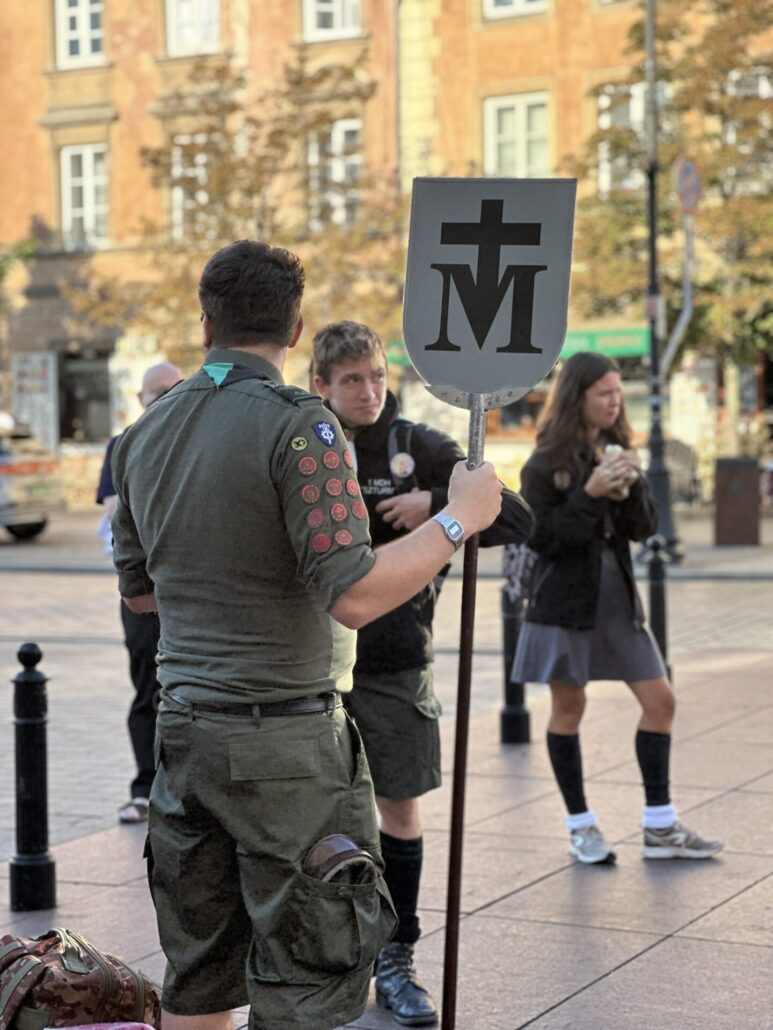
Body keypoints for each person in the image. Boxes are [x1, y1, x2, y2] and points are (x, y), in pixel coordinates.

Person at [109, 240, 504, 1030]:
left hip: (184, 737)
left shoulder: (144, 434)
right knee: (309, 983)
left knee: (199, 975)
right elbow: (352, 595)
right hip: (285, 745)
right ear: (294, 331)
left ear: (206, 323)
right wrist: (459, 518)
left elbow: (140, 593)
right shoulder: (302, 427)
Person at [312, 320, 533, 1027]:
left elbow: (515, 518)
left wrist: (438, 507)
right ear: (321, 385)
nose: (368, 391)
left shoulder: (417, 444)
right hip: (312, 670)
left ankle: (397, 957)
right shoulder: (304, 441)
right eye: (352, 379)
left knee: (399, 812)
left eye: (376, 376)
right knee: (309, 823)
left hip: (394, 662)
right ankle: (323, 960)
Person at [512, 352, 723, 865]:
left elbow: (644, 529)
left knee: (661, 701)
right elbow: (543, 538)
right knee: (570, 709)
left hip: (616, 601)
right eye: (604, 393)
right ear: (577, 397)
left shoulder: (617, 449)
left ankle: (660, 826)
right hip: (565, 605)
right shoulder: (543, 464)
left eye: (617, 393)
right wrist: (589, 494)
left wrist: (629, 489)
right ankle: (580, 825)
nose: (614, 401)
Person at [96, 360, 182, 824]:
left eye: (174, 389)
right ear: (141, 400)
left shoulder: (195, 438)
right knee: (148, 687)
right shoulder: (124, 444)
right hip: (144, 589)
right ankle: (144, 787)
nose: (165, 398)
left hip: (191, 589)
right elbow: (116, 511)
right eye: (157, 392)